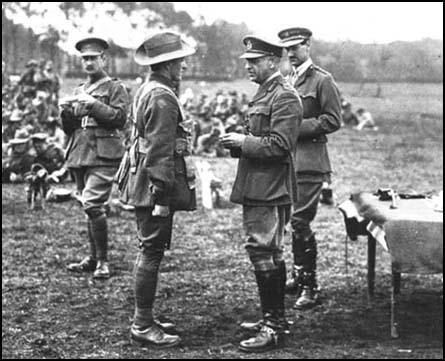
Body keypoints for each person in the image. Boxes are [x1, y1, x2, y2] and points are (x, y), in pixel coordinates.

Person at [220, 35, 302, 353]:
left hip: (269, 185)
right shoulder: (265, 93)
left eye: (254, 61)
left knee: (262, 250)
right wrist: (240, 140)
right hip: (259, 182)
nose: (249, 67)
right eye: (247, 62)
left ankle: (273, 325)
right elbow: (261, 135)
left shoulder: (284, 96)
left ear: (272, 61)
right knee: (270, 251)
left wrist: (243, 143)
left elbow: (281, 146)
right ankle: (274, 320)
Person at [118, 30, 197, 348]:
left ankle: (145, 316)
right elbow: (159, 152)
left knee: (149, 249)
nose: (184, 67)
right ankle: (142, 324)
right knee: (150, 251)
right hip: (154, 188)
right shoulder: (163, 96)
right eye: (180, 61)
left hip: (145, 181)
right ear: (168, 64)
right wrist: (161, 198)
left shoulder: (149, 88)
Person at [278, 27, 342, 309]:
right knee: (293, 221)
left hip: (311, 162)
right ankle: (298, 275)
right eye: (287, 49)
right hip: (289, 161)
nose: (290, 53)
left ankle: (311, 286)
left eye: (295, 47)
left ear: (308, 45)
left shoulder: (322, 80)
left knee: (300, 221)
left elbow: (332, 120)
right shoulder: (289, 79)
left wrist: (295, 129)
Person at [61, 37, 128, 279]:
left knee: (92, 204)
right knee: (88, 207)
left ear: (103, 59)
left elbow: (120, 119)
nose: (88, 62)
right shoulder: (79, 89)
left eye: (93, 58)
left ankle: (102, 261)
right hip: (80, 153)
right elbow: (70, 128)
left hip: (104, 154)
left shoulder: (114, 88)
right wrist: (65, 113)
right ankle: (92, 257)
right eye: (85, 59)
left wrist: (93, 105)